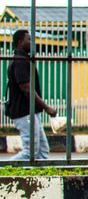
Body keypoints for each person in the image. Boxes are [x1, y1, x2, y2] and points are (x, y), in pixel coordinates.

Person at [6, 29, 57, 161]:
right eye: (29, 40)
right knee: (30, 152)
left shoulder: (24, 60)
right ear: (19, 42)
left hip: (31, 112)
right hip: (25, 113)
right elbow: (26, 88)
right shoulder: (20, 61)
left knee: (42, 151)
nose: (32, 42)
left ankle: (39, 178)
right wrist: (46, 107)